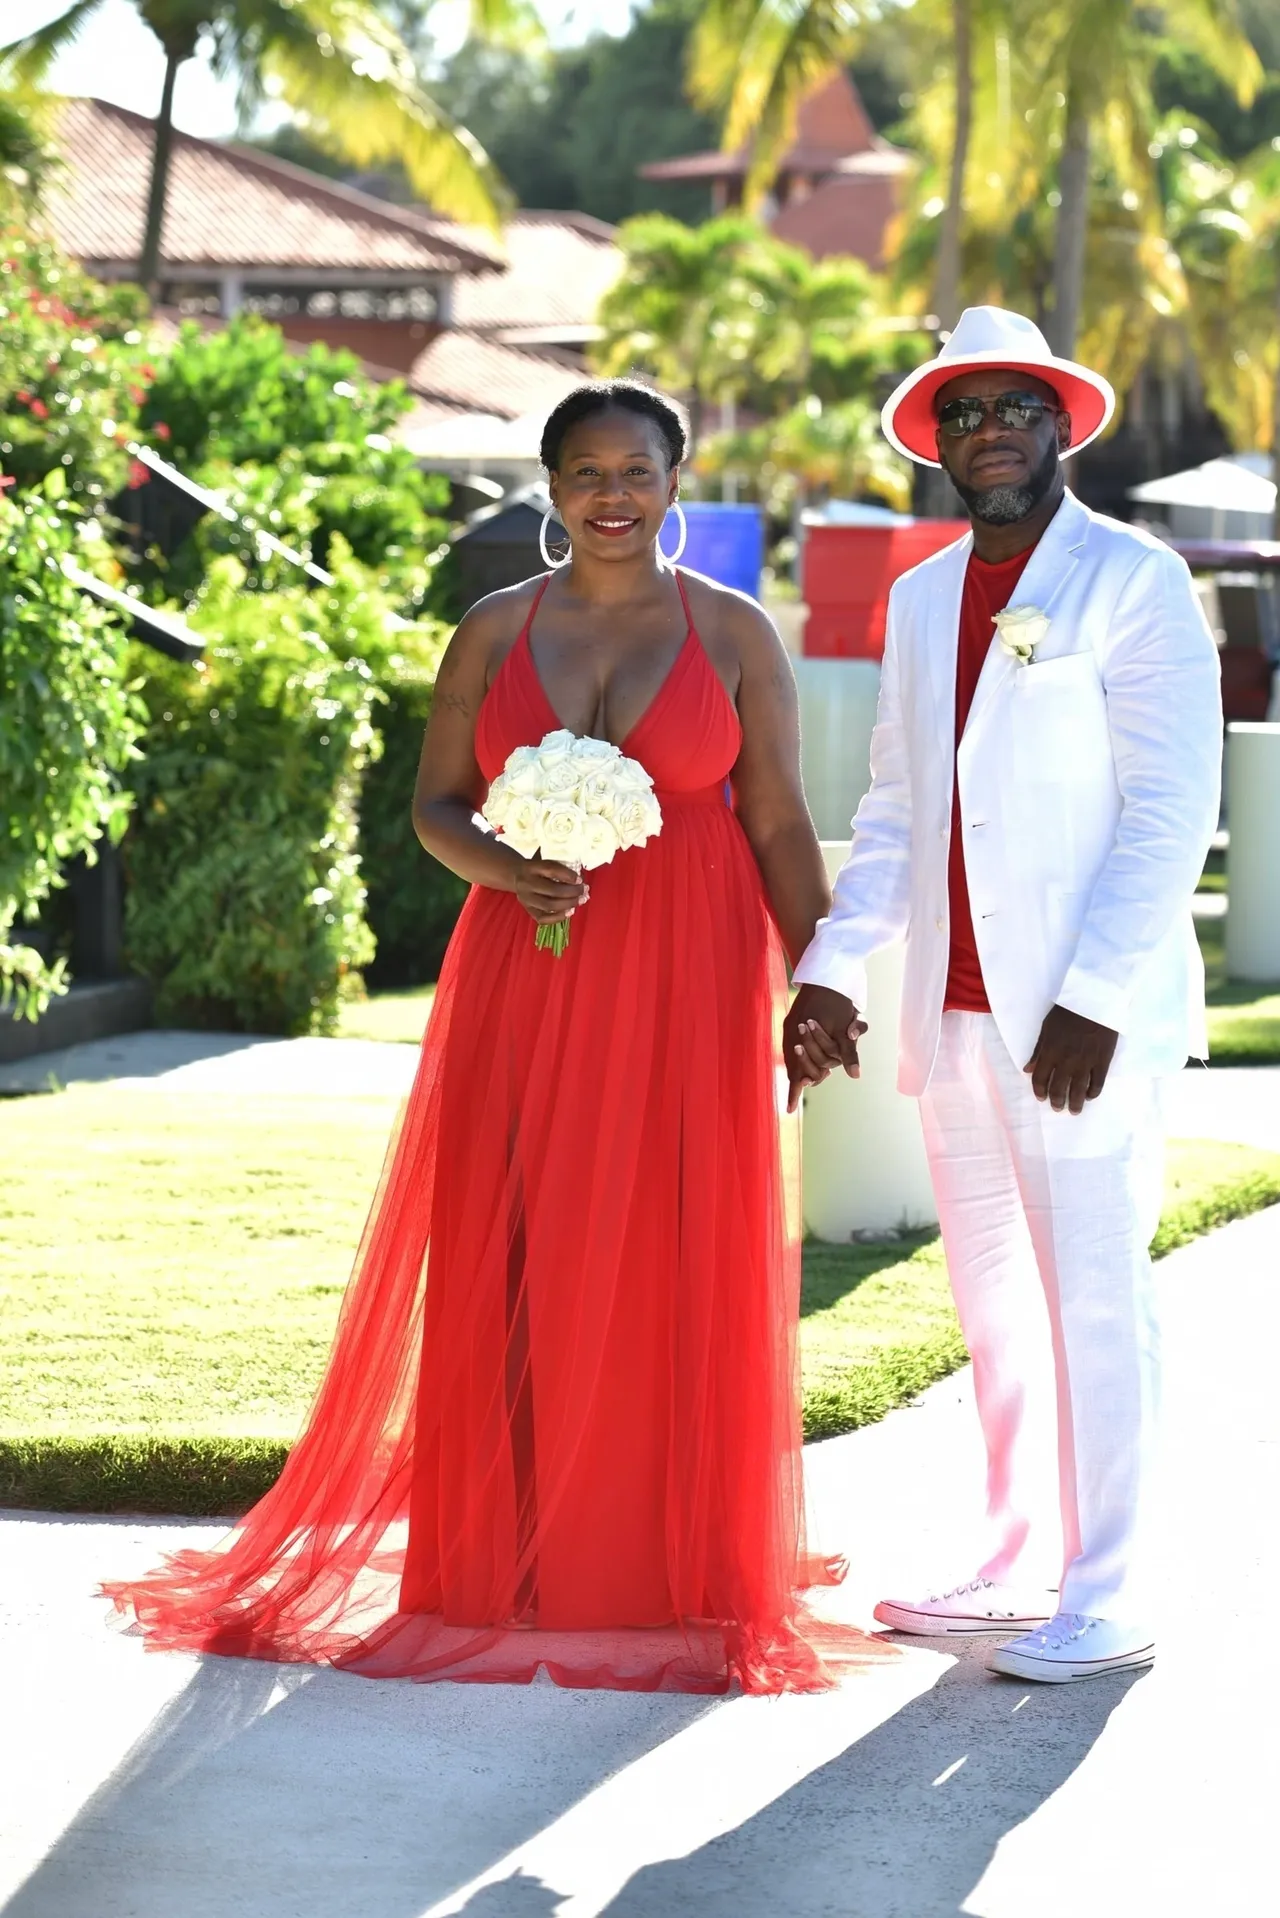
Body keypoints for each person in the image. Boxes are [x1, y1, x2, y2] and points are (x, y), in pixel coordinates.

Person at [105, 379, 882, 1694]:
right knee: (518, 1232)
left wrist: (820, 974)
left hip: (691, 967)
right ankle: (508, 1552)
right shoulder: (491, 629)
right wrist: (502, 869)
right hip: (527, 967)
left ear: (675, 481)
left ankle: (673, 1554)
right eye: (585, 472)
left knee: (675, 1230)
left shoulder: (739, 633)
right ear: (551, 488)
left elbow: (776, 820)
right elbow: (434, 807)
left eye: (635, 471)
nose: (612, 496)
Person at [785, 307, 1222, 1682]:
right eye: (963, 412)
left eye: (1013, 408)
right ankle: (1013, 1555)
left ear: (1060, 425)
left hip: (1078, 1027)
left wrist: (1093, 994)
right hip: (954, 1023)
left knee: (1095, 1295)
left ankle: (1109, 1584)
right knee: (994, 1303)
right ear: (936, 439)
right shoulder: (919, 599)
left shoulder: (1132, 582)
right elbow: (901, 807)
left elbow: (1171, 804)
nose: (989, 432)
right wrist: (834, 964)